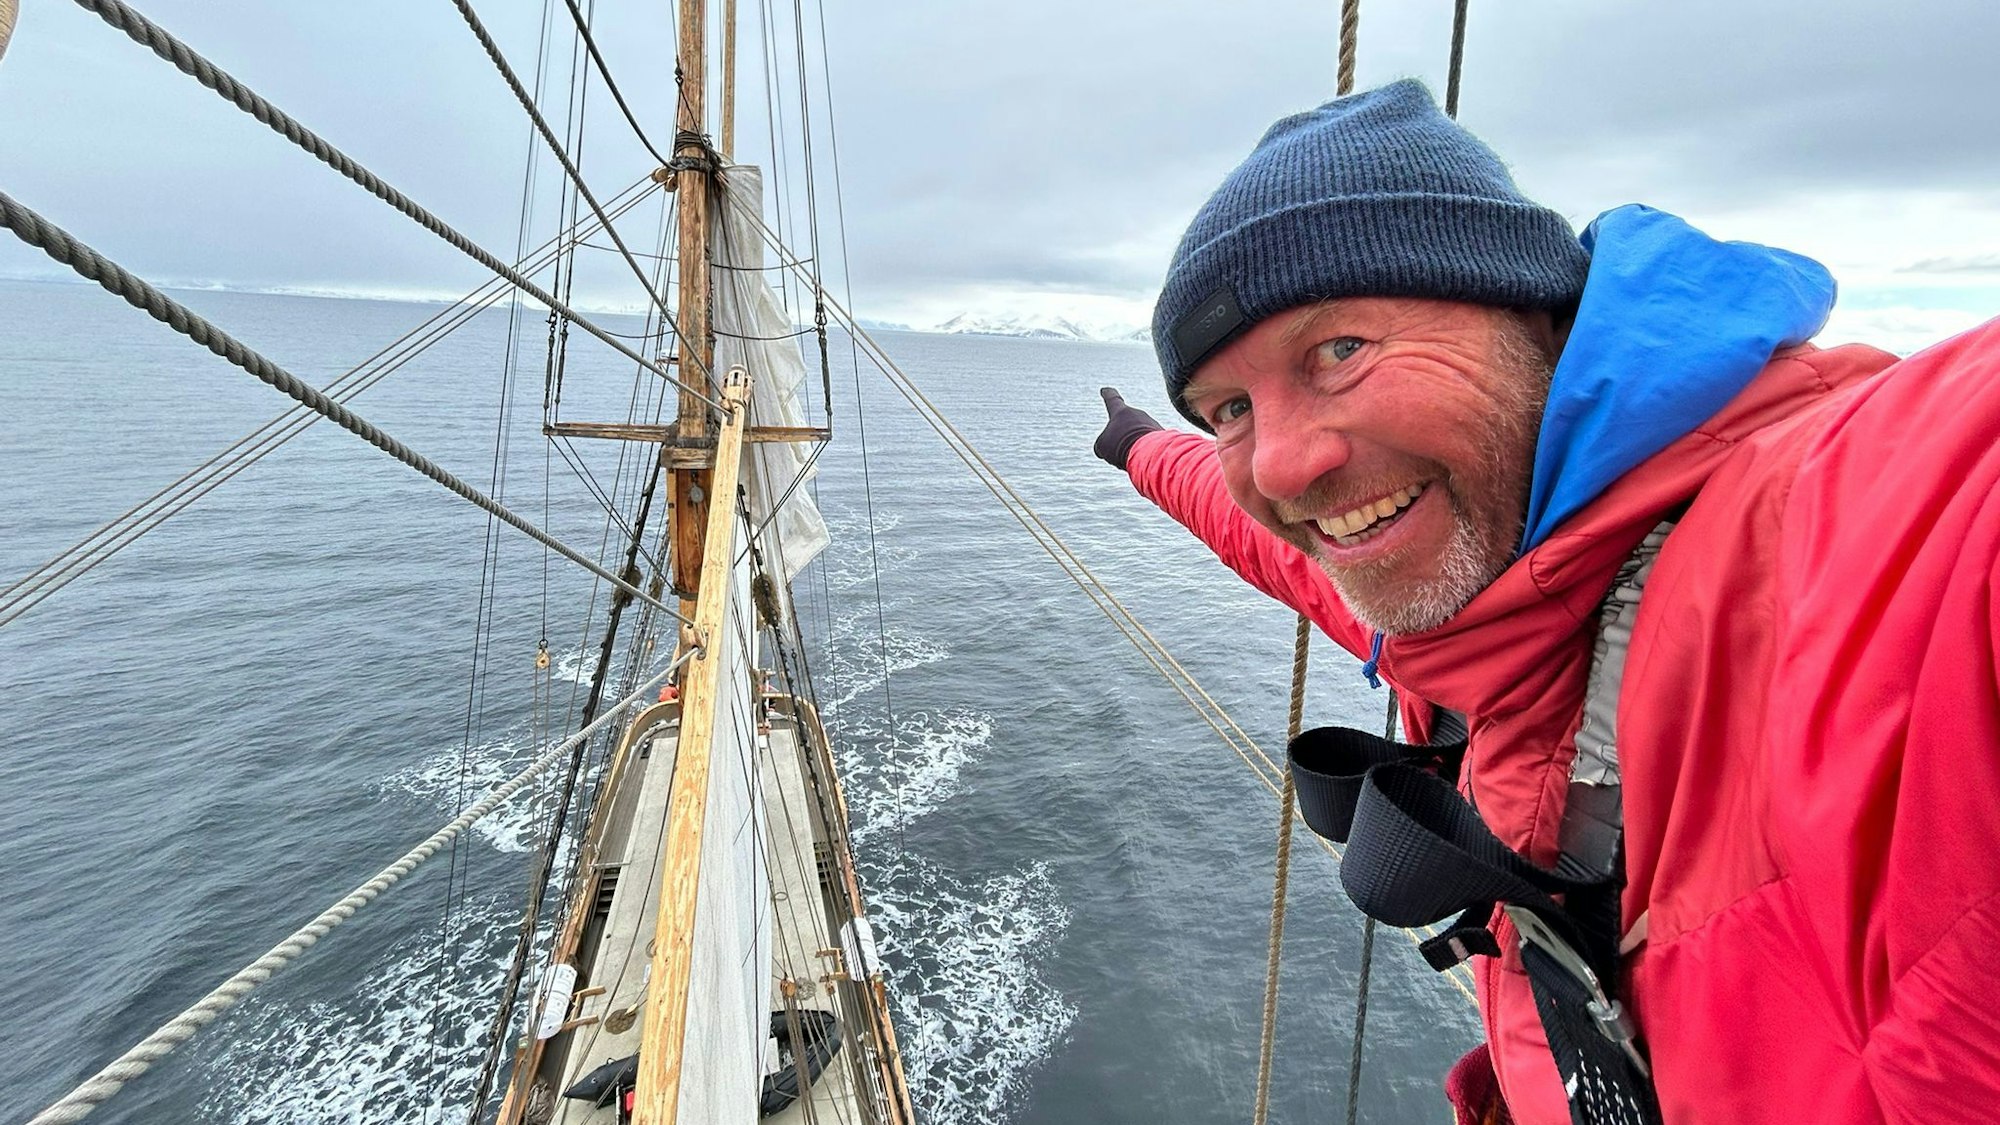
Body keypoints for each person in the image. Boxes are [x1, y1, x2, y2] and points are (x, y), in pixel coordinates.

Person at [1093, 78, 2000, 1125]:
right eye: (1231, 408)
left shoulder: (1874, 533)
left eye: (1339, 349)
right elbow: (1256, 526)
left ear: (1534, 317)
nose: (1285, 469)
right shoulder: (1463, 599)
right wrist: (1138, 449)